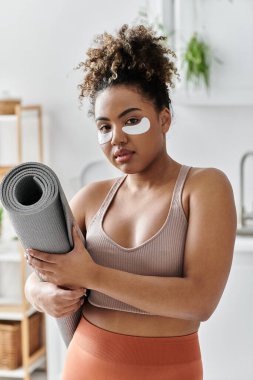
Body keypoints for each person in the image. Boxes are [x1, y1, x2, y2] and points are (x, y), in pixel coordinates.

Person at [24, 24, 237, 380]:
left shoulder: (203, 187)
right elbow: (39, 271)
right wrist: (40, 296)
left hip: (171, 370)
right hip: (86, 362)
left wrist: (91, 274)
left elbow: (200, 301)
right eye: (104, 127)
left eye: (132, 121)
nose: (117, 138)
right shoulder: (91, 198)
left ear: (164, 119)